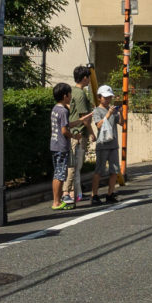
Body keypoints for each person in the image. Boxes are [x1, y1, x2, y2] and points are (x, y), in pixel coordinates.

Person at [64, 65, 95, 206]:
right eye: (88, 77)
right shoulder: (81, 94)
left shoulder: (72, 92)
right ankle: (71, 193)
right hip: (78, 134)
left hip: (72, 132)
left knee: (73, 165)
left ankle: (74, 192)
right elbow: (84, 118)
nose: (89, 80)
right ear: (84, 78)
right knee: (76, 165)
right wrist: (92, 133)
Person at [90, 84, 120, 205]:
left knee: (114, 170)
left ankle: (110, 194)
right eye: (105, 97)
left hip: (113, 144)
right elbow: (98, 125)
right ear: (99, 98)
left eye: (109, 97)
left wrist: (122, 113)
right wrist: (109, 114)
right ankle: (94, 195)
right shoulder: (97, 111)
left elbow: (121, 123)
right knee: (99, 171)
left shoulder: (112, 110)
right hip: (102, 145)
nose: (108, 100)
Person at [49, 82, 73, 210]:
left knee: (57, 173)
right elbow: (64, 130)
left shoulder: (55, 109)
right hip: (62, 146)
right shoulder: (63, 111)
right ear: (65, 96)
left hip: (54, 145)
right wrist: (74, 136)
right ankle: (56, 202)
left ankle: (56, 200)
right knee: (60, 174)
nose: (70, 96)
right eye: (69, 94)